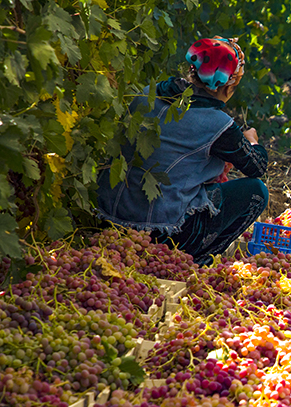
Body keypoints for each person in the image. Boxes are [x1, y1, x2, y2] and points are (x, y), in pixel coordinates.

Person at [96, 37, 268, 266]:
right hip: (163, 233)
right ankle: (196, 260)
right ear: (228, 85)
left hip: (108, 220)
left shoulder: (145, 95)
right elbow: (257, 167)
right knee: (256, 192)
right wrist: (252, 141)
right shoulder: (218, 124)